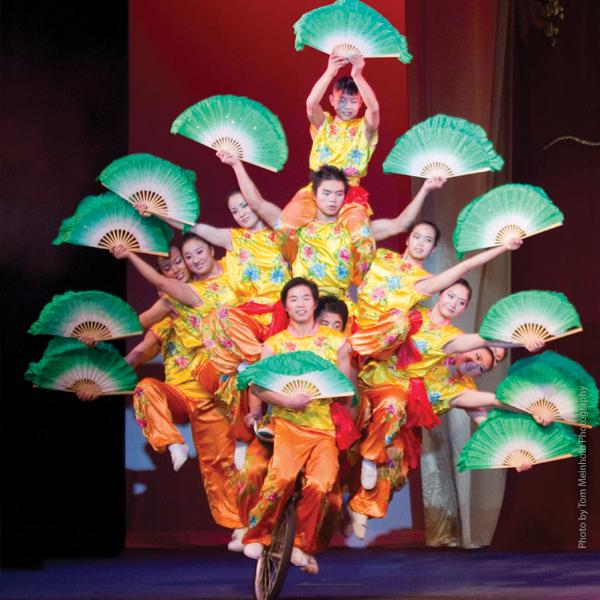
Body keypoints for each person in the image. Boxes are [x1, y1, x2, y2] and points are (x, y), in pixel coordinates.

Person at [348, 279, 544, 538]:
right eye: (476, 357)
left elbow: (489, 414)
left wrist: (513, 453)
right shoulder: (429, 327)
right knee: (386, 410)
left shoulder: (462, 385)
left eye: (483, 367)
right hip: (373, 394)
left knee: (395, 470)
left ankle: (359, 507)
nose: (475, 365)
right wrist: (519, 341)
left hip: (398, 427)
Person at [110, 234, 245, 537]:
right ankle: (172, 442)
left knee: (217, 466)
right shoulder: (170, 303)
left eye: (178, 260)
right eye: (166, 266)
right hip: (182, 394)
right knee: (145, 388)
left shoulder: (220, 284)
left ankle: (238, 526)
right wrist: (104, 340)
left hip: (217, 394)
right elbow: (140, 339)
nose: (176, 267)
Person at [241, 277, 352, 575]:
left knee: (322, 484)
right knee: (282, 477)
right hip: (286, 423)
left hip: (322, 428)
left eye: (306, 298)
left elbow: (345, 390)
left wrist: (331, 386)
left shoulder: (337, 341)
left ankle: (300, 544)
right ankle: (257, 535)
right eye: (293, 299)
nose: (300, 304)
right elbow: (258, 388)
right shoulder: (274, 345)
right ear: (285, 306)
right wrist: (286, 401)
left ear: (314, 303)